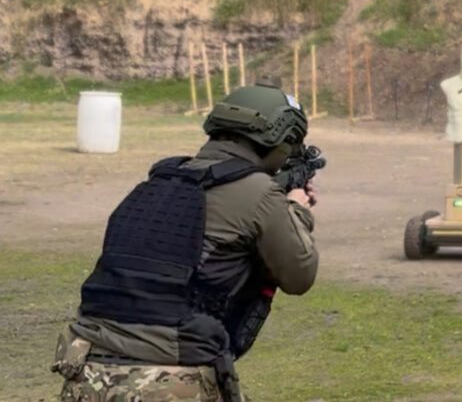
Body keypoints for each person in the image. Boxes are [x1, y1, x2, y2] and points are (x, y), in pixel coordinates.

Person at [51, 84, 320, 402]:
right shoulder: (259, 191)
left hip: (86, 371)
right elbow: (299, 275)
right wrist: (297, 211)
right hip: (165, 379)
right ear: (280, 141)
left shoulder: (160, 181)